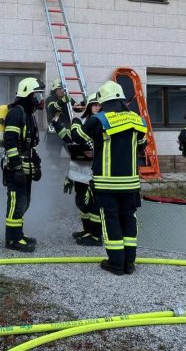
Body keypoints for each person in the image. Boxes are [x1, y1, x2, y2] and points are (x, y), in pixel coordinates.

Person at [79, 81, 148, 275]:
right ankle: (129, 263)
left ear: (102, 101)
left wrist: (76, 124)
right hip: (131, 182)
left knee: (111, 220)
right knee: (129, 218)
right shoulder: (136, 119)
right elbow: (142, 144)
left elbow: (79, 137)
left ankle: (116, 263)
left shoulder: (99, 119)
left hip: (107, 183)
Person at [1, 77, 46, 252]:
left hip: (25, 167)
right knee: (16, 203)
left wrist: (37, 165)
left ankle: (18, 234)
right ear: (28, 93)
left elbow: (30, 145)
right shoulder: (16, 113)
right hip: (15, 169)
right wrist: (17, 168)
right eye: (38, 94)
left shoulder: (28, 114)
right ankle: (12, 240)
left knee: (24, 202)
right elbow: (10, 142)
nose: (40, 98)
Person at [55, 93, 102, 246]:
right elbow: (70, 139)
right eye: (94, 104)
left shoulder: (103, 123)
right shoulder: (80, 121)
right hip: (78, 172)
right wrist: (57, 125)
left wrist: (93, 151)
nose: (97, 107)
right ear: (88, 106)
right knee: (81, 202)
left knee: (93, 204)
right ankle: (87, 230)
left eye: (99, 104)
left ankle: (95, 235)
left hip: (93, 172)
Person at [44, 79, 84, 171]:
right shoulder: (50, 99)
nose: (62, 91)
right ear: (55, 90)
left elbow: (77, 108)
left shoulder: (67, 98)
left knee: (74, 153)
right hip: (54, 133)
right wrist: (63, 100)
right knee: (53, 157)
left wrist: (83, 103)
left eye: (63, 89)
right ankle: (53, 177)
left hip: (67, 132)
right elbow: (52, 109)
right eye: (60, 89)